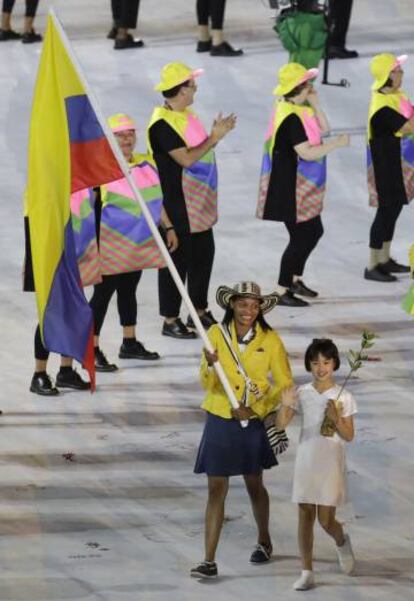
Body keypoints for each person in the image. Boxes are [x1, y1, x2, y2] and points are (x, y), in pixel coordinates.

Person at [190, 281, 293, 579]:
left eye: (254, 305)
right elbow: (206, 382)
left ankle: (264, 540)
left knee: (254, 484)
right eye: (243, 304)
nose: (248, 310)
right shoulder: (215, 334)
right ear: (231, 305)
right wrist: (210, 366)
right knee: (215, 488)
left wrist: (257, 409)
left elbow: (284, 385)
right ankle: (208, 560)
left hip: (251, 422)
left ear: (260, 308)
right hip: (220, 417)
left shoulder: (271, 340)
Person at [75, 113, 178, 372]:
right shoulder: (100, 170)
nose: (127, 138)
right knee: (102, 296)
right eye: (120, 135)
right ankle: (92, 348)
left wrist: (168, 226)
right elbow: (88, 210)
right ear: (109, 139)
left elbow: (154, 199)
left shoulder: (146, 163)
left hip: (138, 242)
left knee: (129, 290)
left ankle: (129, 342)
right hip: (109, 244)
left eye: (130, 133)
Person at [147, 62, 236, 339]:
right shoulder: (161, 125)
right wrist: (214, 137)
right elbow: (185, 158)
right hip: (178, 201)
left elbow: (200, 150)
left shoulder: (187, 114)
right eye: (191, 84)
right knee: (177, 260)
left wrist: (215, 138)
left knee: (203, 254)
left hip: (200, 200)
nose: (195, 87)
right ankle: (170, 318)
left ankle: (198, 309)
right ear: (181, 90)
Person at [256, 63, 349, 307]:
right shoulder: (290, 119)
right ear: (301, 87)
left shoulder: (297, 109)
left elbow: (324, 129)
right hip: (290, 188)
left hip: (301, 186)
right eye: (308, 82)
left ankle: (295, 279)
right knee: (300, 238)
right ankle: (282, 288)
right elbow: (307, 153)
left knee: (313, 231)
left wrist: (316, 103)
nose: (312, 85)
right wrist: (337, 144)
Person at [276, 338, 357, 591]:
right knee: (305, 515)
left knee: (325, 520)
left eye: (326, 362)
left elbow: (349, 435)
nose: (321, 367)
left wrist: (336, 418)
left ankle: (341, 540)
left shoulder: (343, 396)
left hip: (330, 461)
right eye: (315, 362)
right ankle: (306, 570)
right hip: (307, 459)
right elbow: (280, 424)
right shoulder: (303, 393)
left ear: (334, 364)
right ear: (309, 365)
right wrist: (287, 403)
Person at [24, 220, 90, 395]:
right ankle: (39, 374)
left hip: (67, 247)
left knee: (70, 309)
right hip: (46, 251)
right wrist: (29, 259)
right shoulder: (37, 193)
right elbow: (31, 221)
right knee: (49, 313)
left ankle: (66, 371)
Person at [365, 53, 414, 282]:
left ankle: (385, 259)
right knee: (385, 211)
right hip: (384, 163)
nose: (401, 74)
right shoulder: (382, 105)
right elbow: (408, 126)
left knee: (394, 210)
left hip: (396, 160)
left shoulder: (396, 96)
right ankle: (372, 264)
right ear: (386, 76)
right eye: (396, 71)